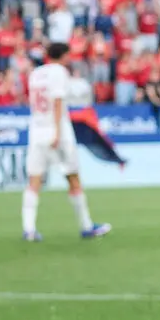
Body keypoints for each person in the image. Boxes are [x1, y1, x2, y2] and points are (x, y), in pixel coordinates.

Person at [21, 43, 111, 241]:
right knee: (73, 177)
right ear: (63, 56)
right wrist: (57, 132)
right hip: (58, 131)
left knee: (34, 180)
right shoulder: (59, 72)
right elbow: (58, 100)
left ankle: (28, 229)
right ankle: (86, 225)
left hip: (36, 130)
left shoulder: (35, 74)